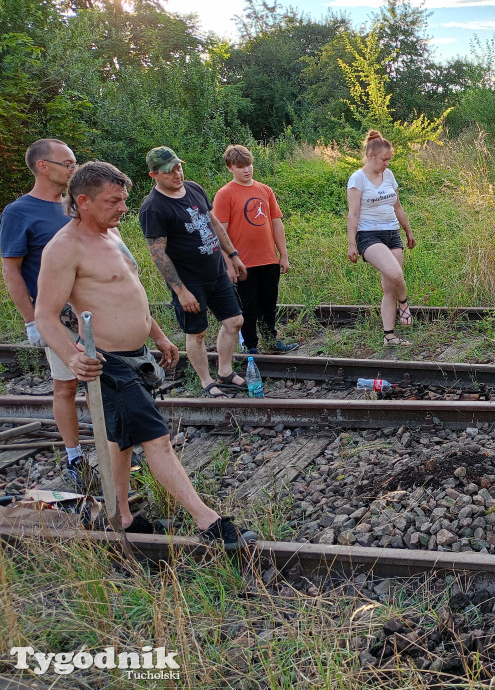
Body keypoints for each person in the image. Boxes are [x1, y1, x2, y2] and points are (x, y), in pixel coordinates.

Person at [34, 161, 256, 547]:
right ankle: (210, 523)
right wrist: (73, 357)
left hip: (136, 353)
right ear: (83, 201)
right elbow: (45, 315)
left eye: (124, 199)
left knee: (119, 440)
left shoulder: (111, 234)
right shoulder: (64, 248)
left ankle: (122, 516)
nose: (123, 208)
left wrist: (159, 337)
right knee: (158, 439)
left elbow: (129, 293)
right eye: (113, 201)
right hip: (107, 363)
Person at [0, 139, 89, 489]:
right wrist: (33, 320)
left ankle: (119, 443)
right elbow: (12, 271)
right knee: (66, 386)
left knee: (109, 383)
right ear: (43, 166)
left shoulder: (75, 206)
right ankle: (74, 457)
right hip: (57, 315)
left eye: (74, 162)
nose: (73, 169)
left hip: (94, 309)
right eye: (67, 163)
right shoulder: (18, 212)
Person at [138, 147, 247, 397]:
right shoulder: (153, 207)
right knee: (196, 333)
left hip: (216, 272)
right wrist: (181, 291)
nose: (177, 174)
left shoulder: (194, 188)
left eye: (178, 167)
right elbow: (158, 253)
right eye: (169, 171)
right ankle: (206, 381)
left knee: (234, 321)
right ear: (154, 175)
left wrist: (233, 256)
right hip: (188, 281)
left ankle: (225, 370)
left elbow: (214, 223)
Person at [211, 145, 298, 355]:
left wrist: (283, 255)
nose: (246, 170)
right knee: (248, 307)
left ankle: (270, 341)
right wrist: (228, 265)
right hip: (243, 262)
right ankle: (250, 346)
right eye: (240, 167)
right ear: (230, 168)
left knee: (269, 304)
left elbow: (277, 224)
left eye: (248, 165)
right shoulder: (224, 194)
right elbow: (219, 233)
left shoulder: (265, 190)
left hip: (268, 259)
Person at [346, 131, 416, 346]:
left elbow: (397, 206)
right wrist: (351, 244)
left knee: (389, 287)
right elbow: (353, 214)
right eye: (384, 159)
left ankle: (389, 336)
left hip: (392, 233)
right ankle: (404, 304)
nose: (387, 163)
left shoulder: (389, 175)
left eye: (389, 160)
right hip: (369, 235)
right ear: (370, 156)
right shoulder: (357, 178)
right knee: (396, 274)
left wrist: (408, 231)